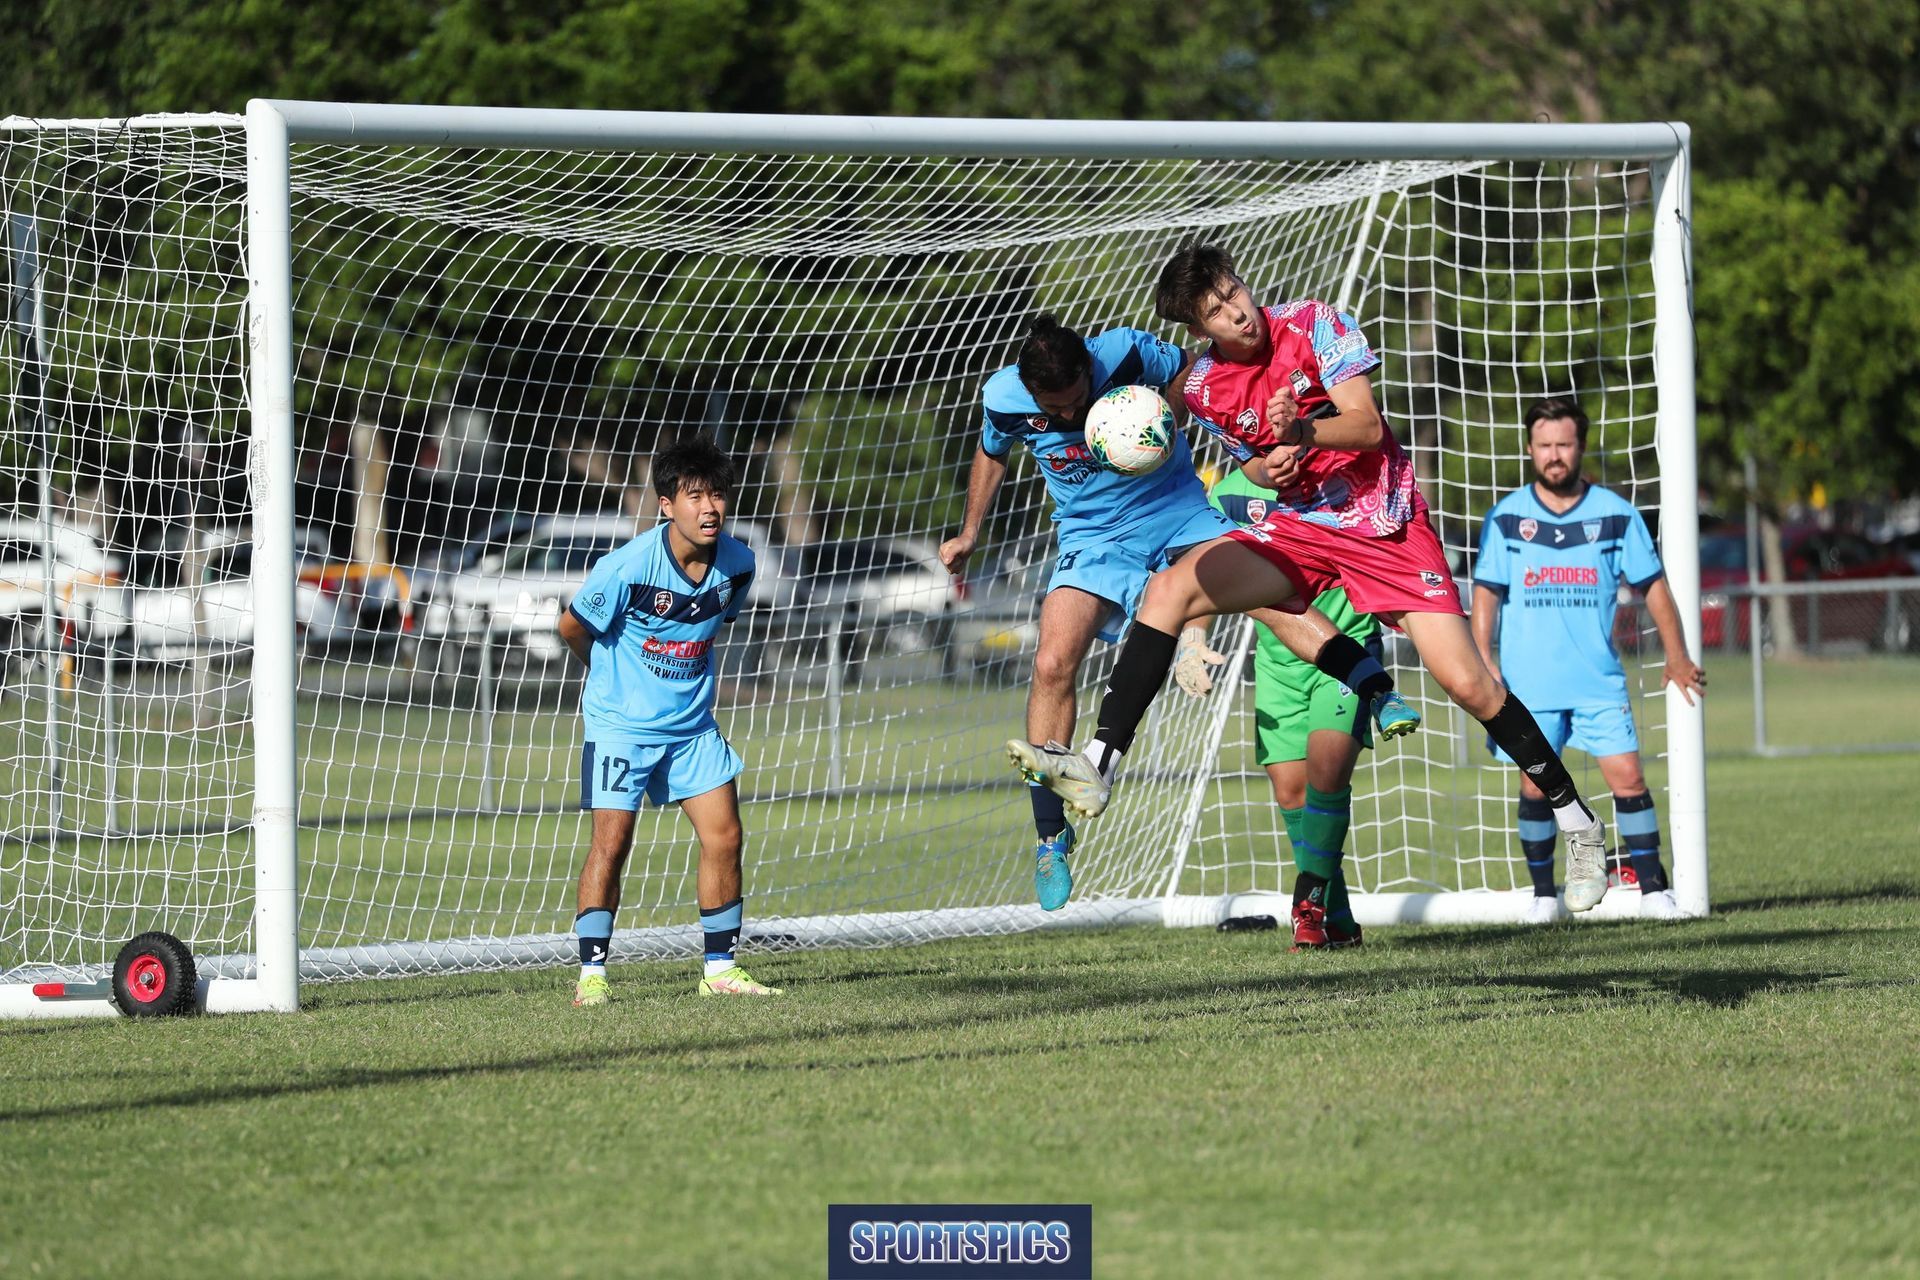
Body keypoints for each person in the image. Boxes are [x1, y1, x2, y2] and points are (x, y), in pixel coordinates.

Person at [1015, 242, 1614, 914]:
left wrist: (1302, 428)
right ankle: (1099, 763)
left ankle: (1577, 821)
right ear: (1198, 331)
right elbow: (1214, 441)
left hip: (1384, 527)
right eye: (1216, 310)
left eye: (1235, 291)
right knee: (1170, 589)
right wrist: (1249, 467)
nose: (1239, 311)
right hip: (1300, 531)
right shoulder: (1204, 387)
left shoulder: (1314, 324)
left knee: (1469, 683)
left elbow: (1364, 425)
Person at [942, 314, 1419, 913]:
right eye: (1053, 409)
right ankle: (1050, 838)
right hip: (1093, 538)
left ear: (1090, 368)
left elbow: (1193, 374)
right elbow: (992, 451)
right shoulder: (1004, 396)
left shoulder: (1126, 352)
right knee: (1052, 661)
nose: (1067, 418)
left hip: (1176, 510)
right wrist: (969, 532)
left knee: (1273, 602)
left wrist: (1156, 415)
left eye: (1075, 403)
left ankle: (1374, 687)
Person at [556, 434, 781, 1003]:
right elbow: (571, 628)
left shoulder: (739, 564)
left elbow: (710, 626)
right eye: (694, 496)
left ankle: (720, 970)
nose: (709, 508)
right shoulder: (627, 567)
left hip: (691, 729)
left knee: (725, 835)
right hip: (621, 730)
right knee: (613, 842)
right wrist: (613, 677)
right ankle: (593, 976)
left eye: (718, 496)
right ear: (666, 505)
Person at [1472, 396, 1706, 922]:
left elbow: (1655, 588)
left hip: (1597, 681)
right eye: (1544, 445)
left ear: (1581, 448)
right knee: (1534, 785)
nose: (1554, 455)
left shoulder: (1617, 515)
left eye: (1564, 445)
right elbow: (1485, 594)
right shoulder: (1507, 518)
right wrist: (1485, 662)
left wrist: (1677, 655)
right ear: (1530, 449)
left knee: (1629, 779)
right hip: (1529, 685)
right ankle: (1542, 897)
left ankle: (1653, 891)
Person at [1202, 465, 1382, 948]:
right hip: (1279, 665)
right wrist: (1192, 641)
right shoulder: (1228, 495)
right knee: (1292, 793)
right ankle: (1338, 922)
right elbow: (1202, 567)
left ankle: (1309, 908)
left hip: (1348, 652)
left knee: (1327, 775)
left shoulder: (1344, 480)